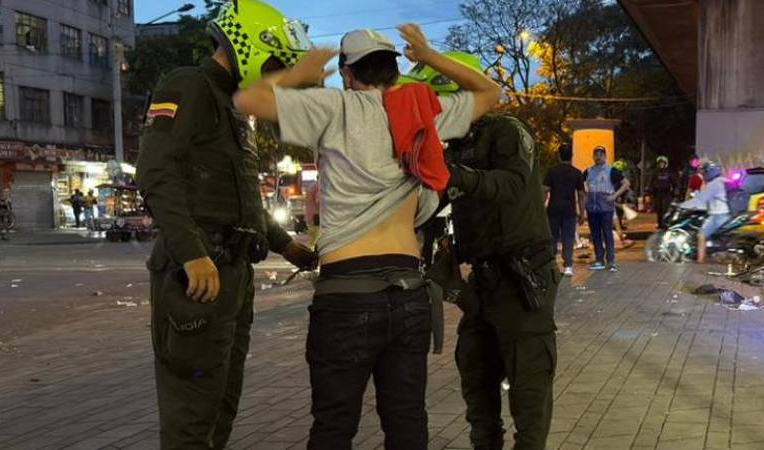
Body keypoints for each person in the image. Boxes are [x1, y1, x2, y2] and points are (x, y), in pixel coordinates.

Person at [232, 22, 500, 449]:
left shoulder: (335, 107)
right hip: (410, 292)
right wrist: (429, 56)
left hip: (347, 297)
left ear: (348, 73)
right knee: (407, 422)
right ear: (394, 72)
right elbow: (490, 93)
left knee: (335, 427)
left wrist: (299, 74)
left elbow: (249, 99)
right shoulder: (423, 112)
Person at [135, 1, 317, 447]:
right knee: (192, 414)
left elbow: (242, 199)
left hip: (231, 275)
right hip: (196, 278)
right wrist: (193, 254)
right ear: (252, 46)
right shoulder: (188, 86)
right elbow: (156, 174)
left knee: (220, 404)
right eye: (275, 65)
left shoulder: (234, 106)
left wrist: (285, 245)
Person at [409, 52, 559, 450]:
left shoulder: (507, 131)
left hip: (523, 278)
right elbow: (442, 200)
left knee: (528, 390)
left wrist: (453, 175)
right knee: (475, 376)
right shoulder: (452, 147)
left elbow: (511, 184)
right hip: (484, 280)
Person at [583, 146, 628, 272]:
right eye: (596, 154)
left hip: (606, 208)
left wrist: (614, 195)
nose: (598, 157)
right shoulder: (588, 171)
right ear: (593, 156)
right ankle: (599, 260)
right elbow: (581, 185)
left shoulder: (611, 170)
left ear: (605, 156)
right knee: (595, 235)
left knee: (607, 234)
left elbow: (626, 184)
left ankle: (611, 261)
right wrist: (585, 197)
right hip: (592, 207)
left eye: (600, 154)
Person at [543, 144, 585, 276]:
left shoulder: (552, 171)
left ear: (558, 156)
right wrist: (582, 213)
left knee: (553, 237)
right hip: (569, 210)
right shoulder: (577, 173)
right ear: (571, 156)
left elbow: (545, 190)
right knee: (568, 237)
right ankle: (567, 266)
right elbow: (581, 194)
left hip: (554, 208)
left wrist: (541, 206)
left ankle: (552, 264)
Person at [678, 164, 730, 263]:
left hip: (718, 215)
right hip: (725, 213)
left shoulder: (714, 184)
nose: (705, 174)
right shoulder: (722, 181)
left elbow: (701, 199)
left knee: (701, 235)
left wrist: (682, 205)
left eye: (706, 172)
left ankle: (700, 260)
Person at [650, 156, 676, 230]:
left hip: (667, 193)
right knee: (659, 209)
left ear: (666, 164)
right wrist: (650, 192)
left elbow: (674, 182)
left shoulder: (669, 172)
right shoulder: (655, 172)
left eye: (662, 163)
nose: (661, 165)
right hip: (658, 193)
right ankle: (660, 224)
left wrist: (674, 192)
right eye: (660, 163)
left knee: (666, 209)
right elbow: (651, 183)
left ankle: (666, 223)